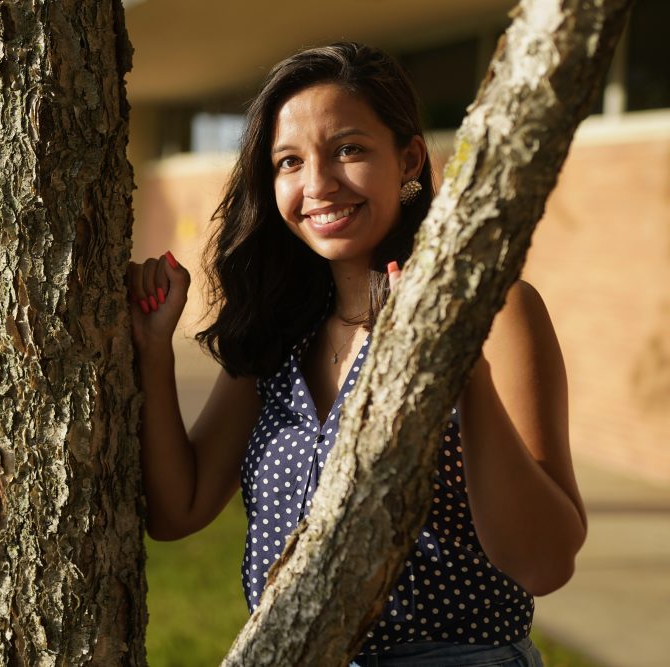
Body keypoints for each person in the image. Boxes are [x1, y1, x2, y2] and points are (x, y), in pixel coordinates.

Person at [126, 42, 586, 666]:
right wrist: (153, 350)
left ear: (409, 159)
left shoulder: (495, 310)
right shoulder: (281, 325)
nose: (318, 184)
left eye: (349, 149)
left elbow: (545, 563)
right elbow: (178, 508)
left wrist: (456, 364)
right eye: (289, 161)